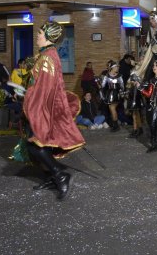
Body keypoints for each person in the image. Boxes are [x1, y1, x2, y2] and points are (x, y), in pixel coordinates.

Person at [23, 21, 85, 201]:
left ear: (49, 36)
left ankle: (59, 174)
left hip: (43, 108)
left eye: (40, 33)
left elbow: (44, 88)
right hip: (43, 107)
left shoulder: (48, 57)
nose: (37, 35)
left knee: (34, 145)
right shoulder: (46, 55)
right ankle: (52, 177)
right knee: (41, 145)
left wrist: (31, 102)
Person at [99, 63, 124, 132]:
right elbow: (103, 86)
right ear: (112, 68)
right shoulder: (106, 76)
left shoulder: (119, 76)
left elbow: (122, 87)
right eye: (116, 67)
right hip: (109, 94)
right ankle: (115, 125)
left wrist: (121, 93)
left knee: (112, 109)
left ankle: (116, 125)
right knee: (111, 109)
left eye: (118, 67)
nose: (118, 68)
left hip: (116, 94)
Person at [125, 73, 145, 138]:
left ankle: (136, 130)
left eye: (133, 80)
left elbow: (136, 96)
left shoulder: (136, 87)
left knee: (135, 117)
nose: (132, 81)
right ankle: (138, 129)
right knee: (136, 116)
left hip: (136, 103)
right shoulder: (134, 87)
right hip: (135, 103)